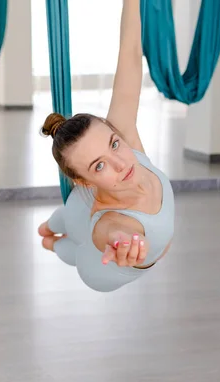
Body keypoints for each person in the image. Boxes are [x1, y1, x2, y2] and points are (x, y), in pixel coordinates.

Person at [37, 0, 175, 292]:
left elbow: (130, 53)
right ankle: (50, 239)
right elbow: (112, 232)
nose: (121, 163)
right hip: (95, 261)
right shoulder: (110, 221)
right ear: (82, 180)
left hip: (80, 211)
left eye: (114, 144)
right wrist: (124, 244)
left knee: (69, 228)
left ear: (117, 134)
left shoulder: (126, 137)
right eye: (98, 165)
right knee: (75, 247)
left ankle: (49, 233)